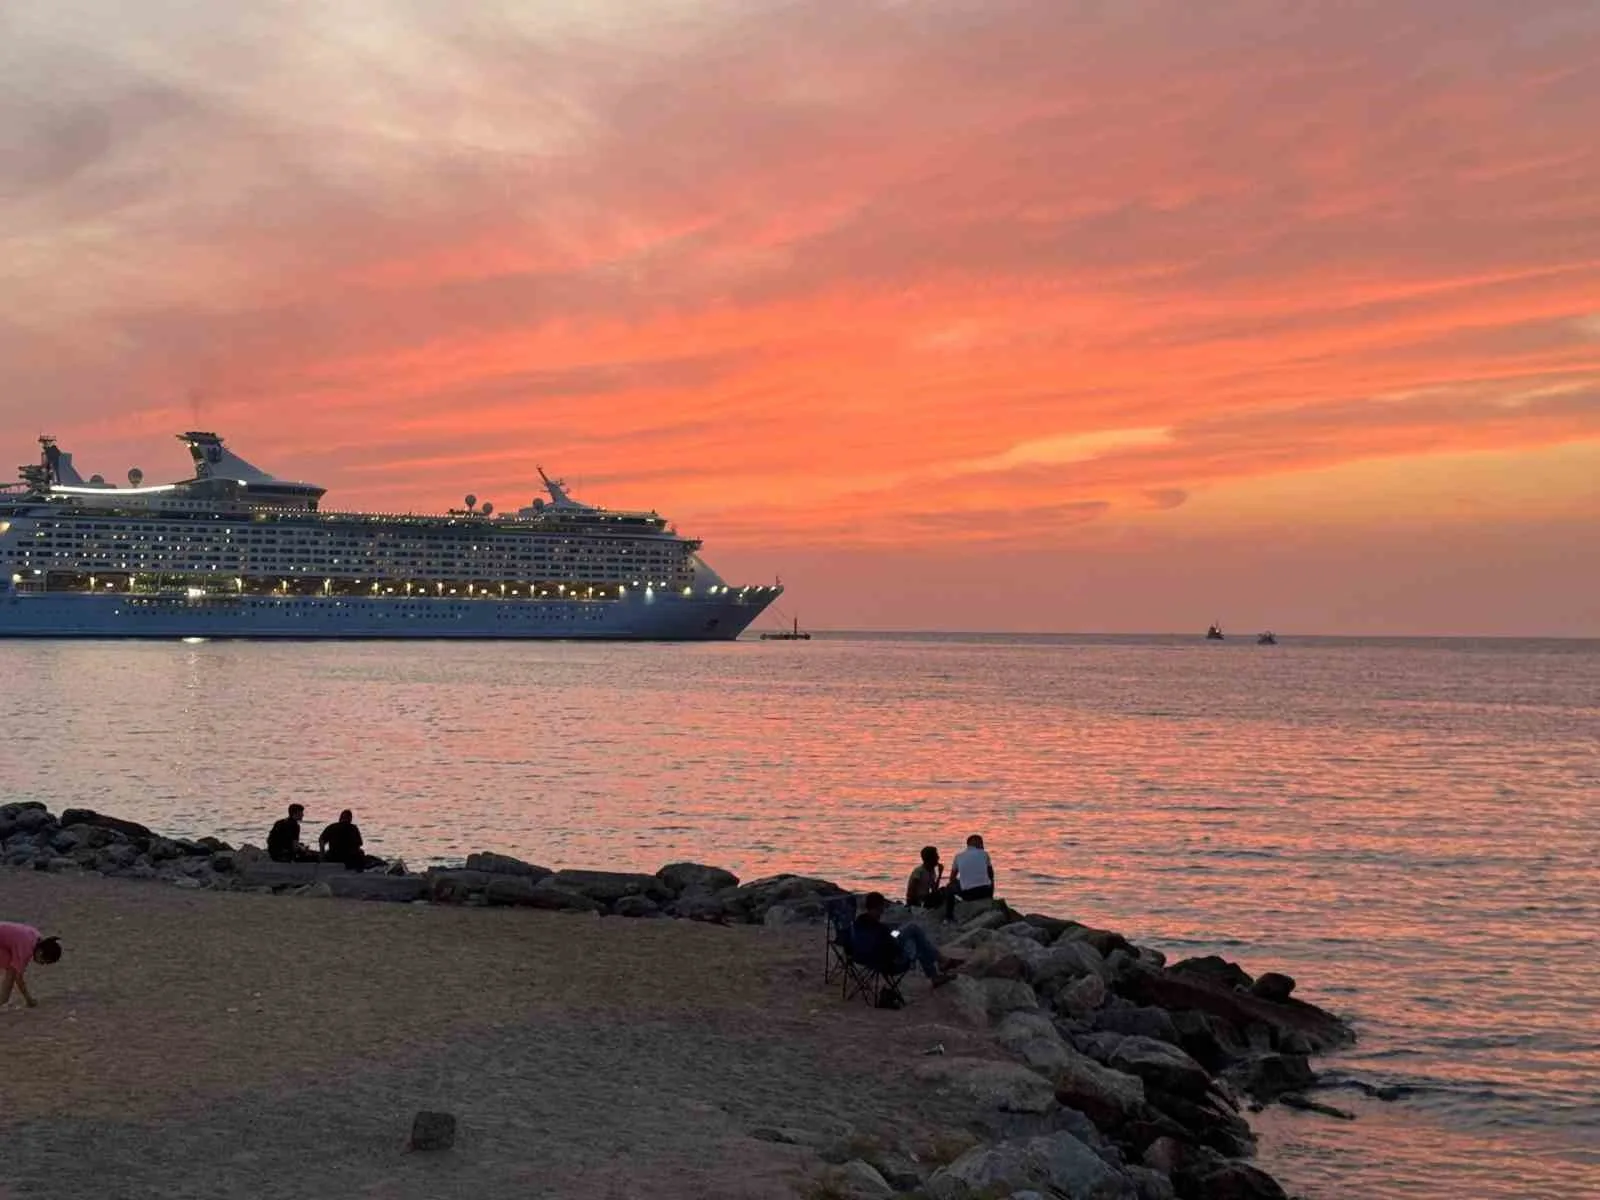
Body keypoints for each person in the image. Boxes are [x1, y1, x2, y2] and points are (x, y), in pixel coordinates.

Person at [851, 892, 954, 993]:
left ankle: (940, 964)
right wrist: (896, 935)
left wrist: (893, 932)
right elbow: (894, 947)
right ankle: (939, 965)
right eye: (882, 908)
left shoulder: (859, 922)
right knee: (916, 938)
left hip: (863, 957)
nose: (883, 911)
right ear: (879, 907)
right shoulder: (880, 929)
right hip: (890, 962)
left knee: (910, 931)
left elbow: (883, 937)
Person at [0, 922, 62, 1009]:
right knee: (11, 974)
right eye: (43, 961)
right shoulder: (26, 948)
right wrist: (28, 999)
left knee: (10, 967)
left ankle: (2, 1000)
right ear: (40, 952)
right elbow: (18, 979)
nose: (42, 964)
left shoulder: (36, 937)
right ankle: (2, 1001)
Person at [906, 845, 956, 918]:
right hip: (918, 901)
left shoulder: (932, 872)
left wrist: (940, 874)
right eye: (936, 856)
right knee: (945, 892)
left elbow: (934, 889)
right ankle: (948, 915)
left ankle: (948, 912)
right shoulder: (919, 871)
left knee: (946, 890)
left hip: (926, 898)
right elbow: (911, 890)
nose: (938, 858)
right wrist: (914, 903)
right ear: (930, 859)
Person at [952, 834, 995, 901]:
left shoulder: (958, 856)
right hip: (985, 892)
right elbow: (991, 874)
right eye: (981, 843)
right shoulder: (984, 854)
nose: (983, 846)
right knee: (991, 879)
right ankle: (990, 899)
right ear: (977, 844)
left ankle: (950, 910)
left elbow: (952, 878)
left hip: (968, 894)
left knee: (951, 886)